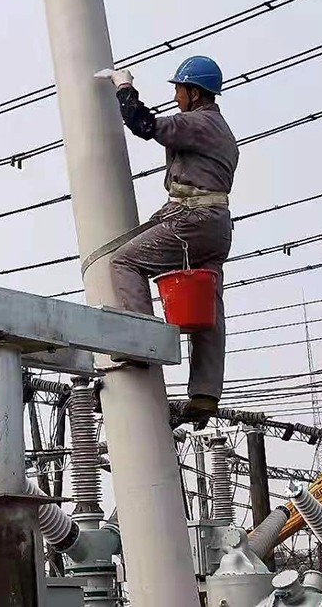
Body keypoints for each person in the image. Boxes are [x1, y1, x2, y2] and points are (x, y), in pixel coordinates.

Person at [95, 56, 238, 426]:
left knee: (125, 261)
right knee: (208, 307)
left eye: (179, 90)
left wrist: (124, 87)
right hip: (216, 226)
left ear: (194, 93)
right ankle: (205, 393)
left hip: (193, 220)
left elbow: (143, 124)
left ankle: (141, 342)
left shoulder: (198, 123)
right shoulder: (222, 129)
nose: (176, 97)